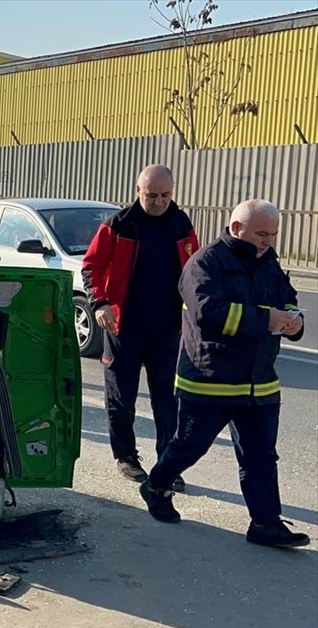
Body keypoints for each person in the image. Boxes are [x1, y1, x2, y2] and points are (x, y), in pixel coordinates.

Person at [140, 199, 308, 548]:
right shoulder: (205, 262)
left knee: (261, 455)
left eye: (273, 235)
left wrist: (295, 321)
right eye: (262, 233)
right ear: (236, 228)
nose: (267, 241)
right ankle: (156, 484)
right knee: (189, 447)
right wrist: (266, 319)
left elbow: (287, 297)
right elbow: (209, 313)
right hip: (210, 379)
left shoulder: (268, 263)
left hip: (259, 382)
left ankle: (265, 523)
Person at [82, 164, 199, 489]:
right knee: (121, 398)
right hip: (124, 327)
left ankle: (168, 464)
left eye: (165, 195)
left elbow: (194, 272)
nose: (159, 201)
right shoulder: (119, 225)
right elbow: (91, 265)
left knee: (168, 400)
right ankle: (126, 457)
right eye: (152, 195)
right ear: (138, 191)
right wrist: (100, 303)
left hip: (168, 330)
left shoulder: (181, 224)